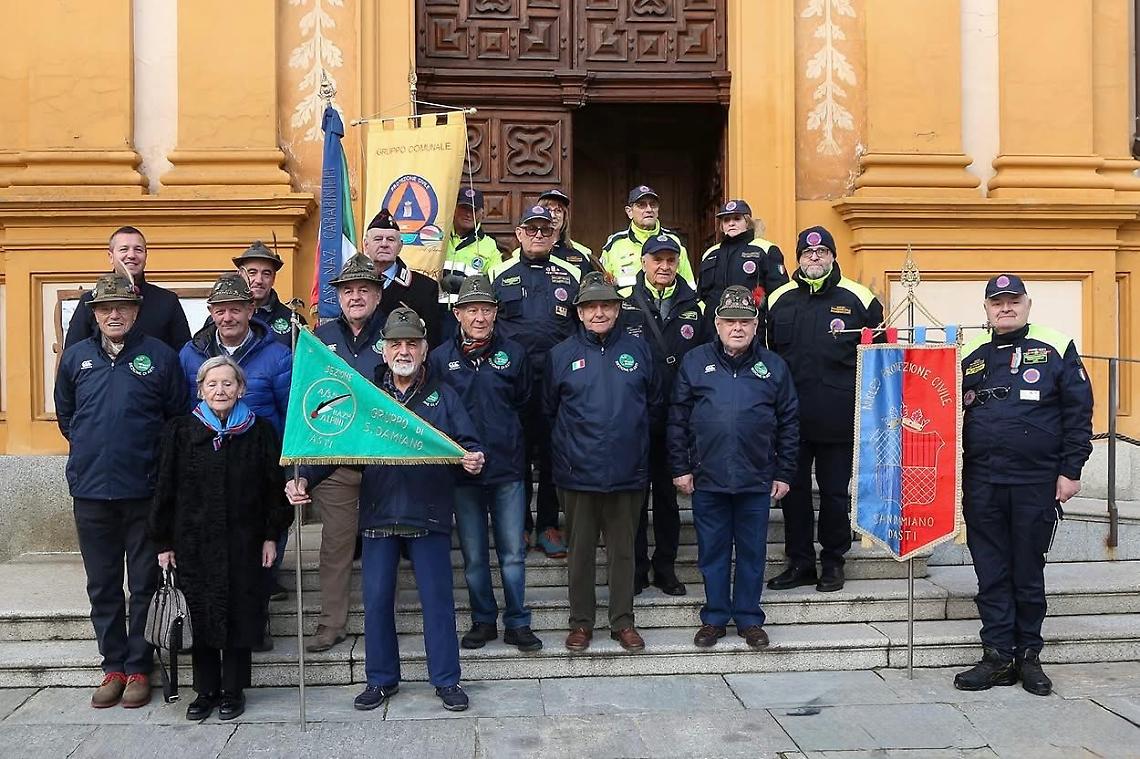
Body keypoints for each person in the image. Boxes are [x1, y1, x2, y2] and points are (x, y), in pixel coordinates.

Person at [287, 307, 485, 713]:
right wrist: (305, 476)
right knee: (376, 602)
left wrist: (473, 458)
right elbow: (337, 441)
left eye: (412, 343)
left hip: (428, 511)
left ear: (425, 349)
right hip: (378, 513)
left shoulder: (444, 395)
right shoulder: (367, 396)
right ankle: (380, 680)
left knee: (438, 603)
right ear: (383, 349)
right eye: (396, 343)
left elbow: (469, 443)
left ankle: (447, 680)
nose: (404, 350)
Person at [953, 274, 1093, 696]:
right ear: (986, 309)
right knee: (991, 572)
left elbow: (1079, 411)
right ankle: (997, 655)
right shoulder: (969, 353)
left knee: (1027, 571)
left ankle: (1029, 655)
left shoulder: (1055, 345)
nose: (1005, 308)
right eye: (997, 302)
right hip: (983, 482)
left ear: (1027, 304)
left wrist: (1071, 471)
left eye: (1013, 300)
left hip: (1035, 481)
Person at [54, 272, 188, 709]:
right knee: (103, 585)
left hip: (144, 492)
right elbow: (67, 417)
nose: (114, 314)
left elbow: (175, 419)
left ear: (135, 312)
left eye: (123, 308)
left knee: (145, 584)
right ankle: (111, 665)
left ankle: (137, 668)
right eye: (105, 308)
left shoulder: (160, 357)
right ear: (94, 314)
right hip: (91, 492)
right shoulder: (76, 359)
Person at [150, 357, 293, 721]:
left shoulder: (259, 431)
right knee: (199, 616)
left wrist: (270, 536)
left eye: (228, 383)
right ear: (200, 390)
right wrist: (164, 542)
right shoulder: (181, 431)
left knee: (240, 615)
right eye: (212, 384)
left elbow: (272, 490)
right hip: (193, 544)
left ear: (241, 389)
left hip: (244, 543)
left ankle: (233, 690)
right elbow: (164, 489)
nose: (220, 391)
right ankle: (205, 691)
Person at [668, 286, 799, 650]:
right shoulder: (695, 362)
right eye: (729, 321)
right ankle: (713, 618)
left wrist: (784, 472)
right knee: (712, 551)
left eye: (744, 321)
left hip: (756, 478)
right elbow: (677, 418)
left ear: (756, 325)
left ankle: (748, 618)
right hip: (707, 477)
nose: (737, 328)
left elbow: (789, 422)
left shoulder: (773, 366)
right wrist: (680, 467)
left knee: (752, 551)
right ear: (717, 324)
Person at [545, 272, 662, 653]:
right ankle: (580, 623)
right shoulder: (560, 355)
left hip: (627, 472)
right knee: (579, 553)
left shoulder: (640, 350)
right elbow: (549, 411)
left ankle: (622, 622)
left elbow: (656, 404)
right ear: (579, 312)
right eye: (590, 306)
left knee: (624, 552)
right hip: (577, 473)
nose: (598, 312)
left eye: (606, 305)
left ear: (617, 309)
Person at [764, 226, 884, 593]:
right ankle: (799, 561)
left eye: (822, 252)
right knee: (793, 492)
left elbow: (881, 360)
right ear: (798, 258)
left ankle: (833, 561)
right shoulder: (778, 299)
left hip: (840, 417)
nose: (814, 258)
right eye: (807, 253)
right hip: (791, 420)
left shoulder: (861, 299)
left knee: (834, 493)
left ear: (833, 256)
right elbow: (768, 359)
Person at [428, 275, 541, 652]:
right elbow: (437, 413)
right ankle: (482, 619)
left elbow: (527, 405)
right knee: (475, 556)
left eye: (487, 309)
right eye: (472, 309)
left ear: (496, 313)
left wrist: (513, 444)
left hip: (508, 469)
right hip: (462, 473)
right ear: (458, 313)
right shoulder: (441, 358)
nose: (480, 317)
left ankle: (518, 621)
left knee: (512, 553)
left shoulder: (516, 354)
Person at [305, 253, 387, 654]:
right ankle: (330, 623)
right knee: (336, 546)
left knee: (382, 548)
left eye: (364, 289)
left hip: (386, 462)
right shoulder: (321, 339)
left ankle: (380, 623)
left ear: (378, 294)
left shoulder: (397, 333)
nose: (355, 296)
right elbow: (306, 400)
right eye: (347, 290)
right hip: (336, 463)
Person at [620, 233, 709, 596]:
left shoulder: (694, 307)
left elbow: (706, 357)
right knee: (637, 498)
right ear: (643, 262)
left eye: (671, 259)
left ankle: (666, 567)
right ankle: (637, 567)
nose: (664, 266)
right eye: (657, 259)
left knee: (670, 498)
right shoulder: (624, 306)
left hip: (680, 417)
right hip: (637, 416)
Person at [491, 205, 582, 558]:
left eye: (546, 230)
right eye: (532, 229)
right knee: (516, 454)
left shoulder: (571, 273)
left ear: (555, 234)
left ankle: (547, 524)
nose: (539, 235)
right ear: (518, 233)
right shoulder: (499, 273)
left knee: (552, 456)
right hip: (512, 382)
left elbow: (581, 325)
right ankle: (519, 524)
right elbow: (485, 321)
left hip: (558, 384)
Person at [179, 273, 292, 434]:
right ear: (211, 312)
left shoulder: (280, 358)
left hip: (259, 452)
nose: (227, 318)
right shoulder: (190, 354)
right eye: (220, 311)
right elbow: (180, 412)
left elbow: (290, 416)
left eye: (235, 310)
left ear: (250, 311)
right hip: (203, 454)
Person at [65, 226, 191, 351]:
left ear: (146, 256)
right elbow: (72, 355)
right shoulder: (90, 300)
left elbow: (183, 353)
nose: (131, 255)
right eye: (124, 249)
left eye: (138, 250)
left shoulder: (167, 301)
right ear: (110, 256)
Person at [697, 200, 788, 334]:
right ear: (722, 225)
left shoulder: (766, 249)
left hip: (752, 330)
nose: (731, 223)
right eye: (726, 220)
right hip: (714, 331)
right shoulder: (710, 254)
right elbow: (701, 296)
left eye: (737, 219)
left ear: (747, 222)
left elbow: (779, 295)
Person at [363, 208, 443, 346]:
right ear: (366, 245)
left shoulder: (425, 288)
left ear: (400, 246)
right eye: (377, 239)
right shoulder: (352, 285)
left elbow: (432, 341)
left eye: (390, 239)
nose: (384, 244)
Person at [601, 185, 695, 295]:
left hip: (666, 308)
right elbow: (603, 286)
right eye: (642, 205)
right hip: (626, 308)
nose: (649, 209)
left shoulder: (674, 241)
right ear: (629, 212)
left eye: (653, 205)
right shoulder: (615, 245)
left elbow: (689, 285)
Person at [503, 188, 596, 278]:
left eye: (558, 211)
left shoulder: (583, 253)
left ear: (565, 216)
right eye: (548, 210)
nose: (553, 215)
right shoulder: (518, 254)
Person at [231, 240, 307, 347]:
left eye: (266, 274)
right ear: (240, 275)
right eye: (252, 273)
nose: (259, 280)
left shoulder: (294, 321)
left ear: (273, 278)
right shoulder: (224, 319)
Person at [442, 188, 500, 307]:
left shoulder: (489, 245)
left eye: (474, 210)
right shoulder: (439, 237)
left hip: (470, 312)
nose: (468, 214)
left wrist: (465, 283)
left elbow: (496, 283)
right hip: (435, 311)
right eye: (464, 208)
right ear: (454, 209)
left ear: (481, 214)